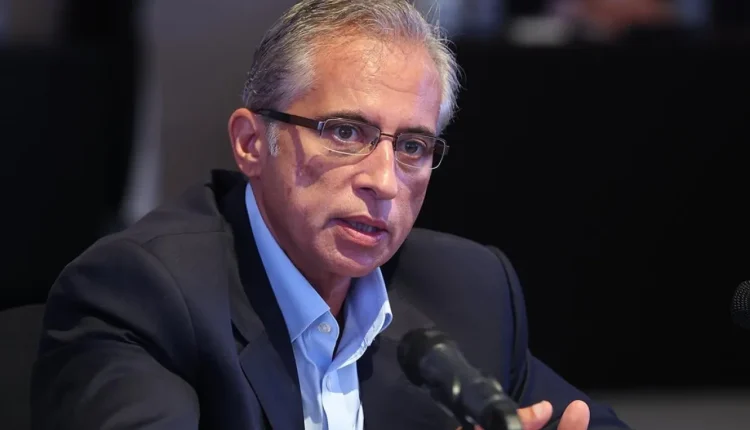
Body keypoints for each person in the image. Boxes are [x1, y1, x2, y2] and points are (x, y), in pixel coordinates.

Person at [30, 1, 630, 429]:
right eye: (344, 132)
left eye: (412, 146)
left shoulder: (469, 291)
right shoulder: (142, 295)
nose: (383, 181)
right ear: (251, 143)